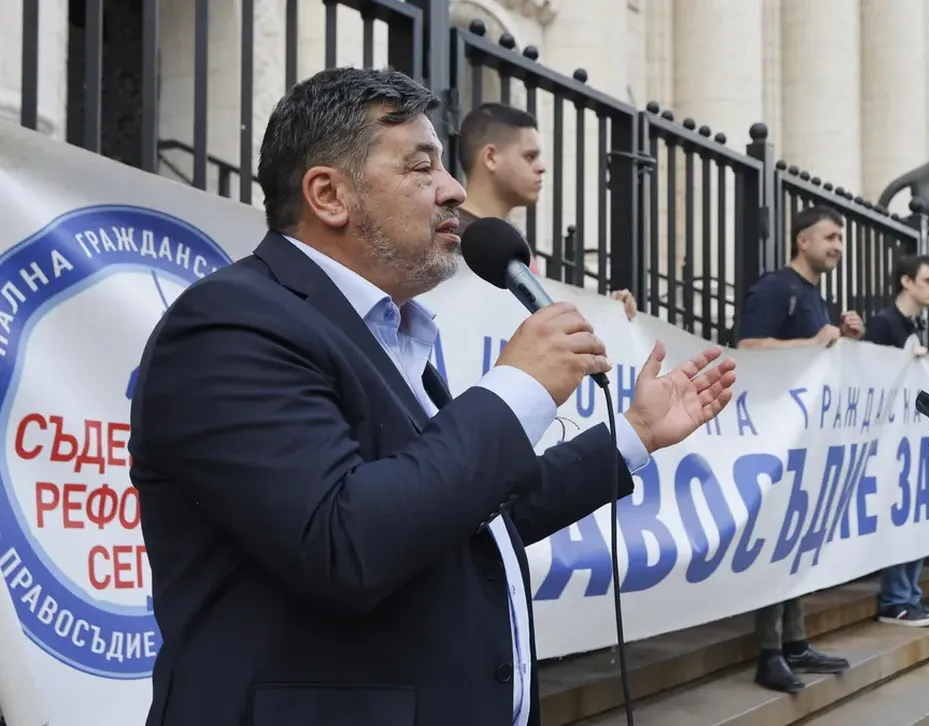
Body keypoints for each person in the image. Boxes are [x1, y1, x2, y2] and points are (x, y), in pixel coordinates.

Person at [128, 68, 737, 726]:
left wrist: (634, 435)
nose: (453, 190)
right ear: (329, 195)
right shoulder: (229, 325)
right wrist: (519, 388)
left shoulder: (389, 331)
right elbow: (345, 542)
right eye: (422, 168)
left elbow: (469, 517)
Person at [735, 204, 856, 692]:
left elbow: (815, 350)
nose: (838, 247)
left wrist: (836, 338)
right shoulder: (774, 287)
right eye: (830, 237)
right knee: (777, 539)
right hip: (774, 436)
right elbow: (746, 347)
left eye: (841, 239)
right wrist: (813, 341)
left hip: (805, 436)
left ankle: (795, 641)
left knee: (799, 536)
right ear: (802, 241)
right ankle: (769, 652)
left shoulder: (811, 295)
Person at [455, 102, 637, 320]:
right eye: (530, 156)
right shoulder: (449, 236)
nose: (541, 167)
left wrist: (607, 311)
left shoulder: (511, 242)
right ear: (491, 158)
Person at [863, 254, 929, 627]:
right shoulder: (884, 324)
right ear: (906, 281)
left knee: (915, 512)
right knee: (899, 511)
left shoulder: (913, 326)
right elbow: (873, 371)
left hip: (910, 438)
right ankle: (896, 598)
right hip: (890, 438)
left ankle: (910, 594)